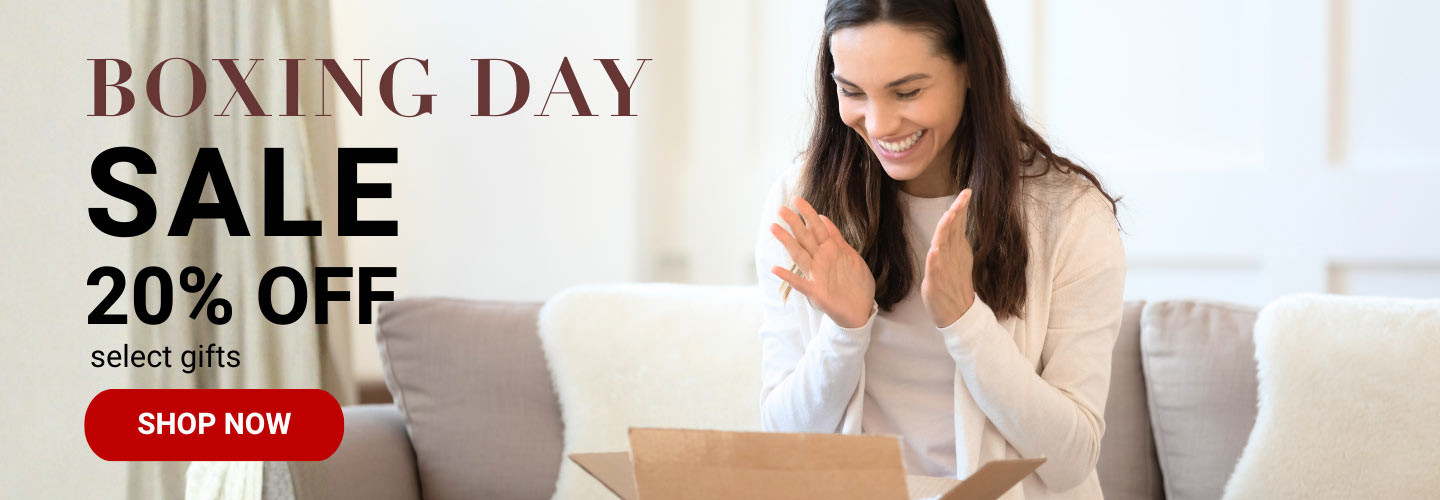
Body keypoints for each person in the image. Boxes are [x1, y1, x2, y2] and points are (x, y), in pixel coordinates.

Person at [753, 1, 1126, 498]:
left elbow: (1072, 460)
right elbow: (783, 444)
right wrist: (844, 333)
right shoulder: (803, 204)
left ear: (970, 68)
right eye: (852, 92)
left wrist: (967, 323)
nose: (880, 124)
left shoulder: (1069, 215)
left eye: (907, 91)